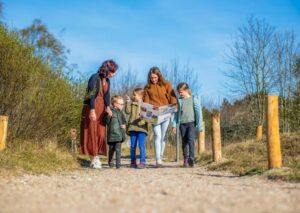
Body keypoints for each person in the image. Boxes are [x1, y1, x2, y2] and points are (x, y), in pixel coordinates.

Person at [80, 59, 119, 169]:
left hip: (102, 108)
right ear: (107, 69)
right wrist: (92, 110)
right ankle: (93, 158)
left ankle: (97, 155)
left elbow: (106, 95)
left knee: (101, 133)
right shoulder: (94, 77)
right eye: (113, 71)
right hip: (91, 107)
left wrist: (108, 107)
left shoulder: (107, 80)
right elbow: (91, 95)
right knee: (91, 132)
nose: (114, 74)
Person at [143, 67, 177, 168]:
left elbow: (172, 96)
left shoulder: (166, 84)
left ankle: (160, 157)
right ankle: (158, 160)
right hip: (154, 113)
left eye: (155, 77)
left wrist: (175, 106)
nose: (153, 79)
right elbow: (146, 101)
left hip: (166, 111)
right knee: (157, 135)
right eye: (151, 77)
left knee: (162, 136)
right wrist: (146, 114)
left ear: (159, 76)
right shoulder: (147, 87)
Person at [172, 82, 203, 167]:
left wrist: (200, 125)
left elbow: (199, 113)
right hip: (182, 123)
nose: (180, 94)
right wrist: (174, 125)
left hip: (191, 123)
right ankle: (185, 159)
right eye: (179, 92)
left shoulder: (194, 99)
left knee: (191, 140)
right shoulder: (179, 101)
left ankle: (191, 158)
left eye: (181, 92)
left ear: (186, 90)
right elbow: (175, 114)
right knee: (184, 141)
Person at [125, 88, 149, 169]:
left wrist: (140, 105)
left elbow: (148, 117)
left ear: (140, 96)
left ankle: (142, 162)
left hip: (142, 128)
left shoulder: (145, 105)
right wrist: (128, 102)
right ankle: (133, 162)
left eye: (134, 95)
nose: (133, 96)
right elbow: (127, 112)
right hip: (133, 127)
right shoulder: (132, 104)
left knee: (141, 145)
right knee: (133, 146)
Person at [103, 95, 127, 169]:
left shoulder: (121, 113)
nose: (122, 105)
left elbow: (124, 121)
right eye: (121, 104)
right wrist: (109, 116)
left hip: (119, 135)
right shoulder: (109, 111)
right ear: (115, 104)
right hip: (111, 134)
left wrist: (124, 125)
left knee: (118, 149)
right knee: (111, 149)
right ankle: (110, 161)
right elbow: (105, 121)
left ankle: (118, 164)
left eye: (123, 104)